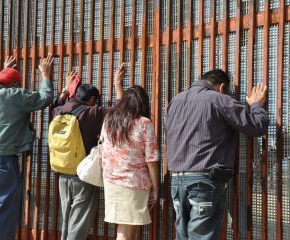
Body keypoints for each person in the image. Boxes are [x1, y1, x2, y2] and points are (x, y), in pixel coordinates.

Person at [165, 69, 269, 240]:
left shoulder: (175, 101)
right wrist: (257, 105)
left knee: (182, 236)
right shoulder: (219, 100)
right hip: (203, 181)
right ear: (222, 87)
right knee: (201, 236)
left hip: (177, 181)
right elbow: (257, 127)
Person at [0, 54, 54, 240]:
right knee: (2, 217)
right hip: (3, 164)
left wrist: (6, 70)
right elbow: (45, 97)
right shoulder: (14, 95)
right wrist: (46, 76)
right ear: (15, 85)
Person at [52, 64, 126, 240]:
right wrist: (117, 84)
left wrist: (66, 87)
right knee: (78, 222)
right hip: (83, 174)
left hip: (62, 172)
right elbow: (120, 110)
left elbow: (57, 102)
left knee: (66, 221)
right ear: (92, 99)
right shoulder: (92, 112)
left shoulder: (58, 111)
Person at [101, 85, 159, 240]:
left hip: (111, 181)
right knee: (126, 231)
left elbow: (101, 146)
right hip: (133, 182)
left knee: (126, 226)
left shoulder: (109, 120)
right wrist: (156, 188)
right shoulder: (144, 123)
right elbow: (151, 158)